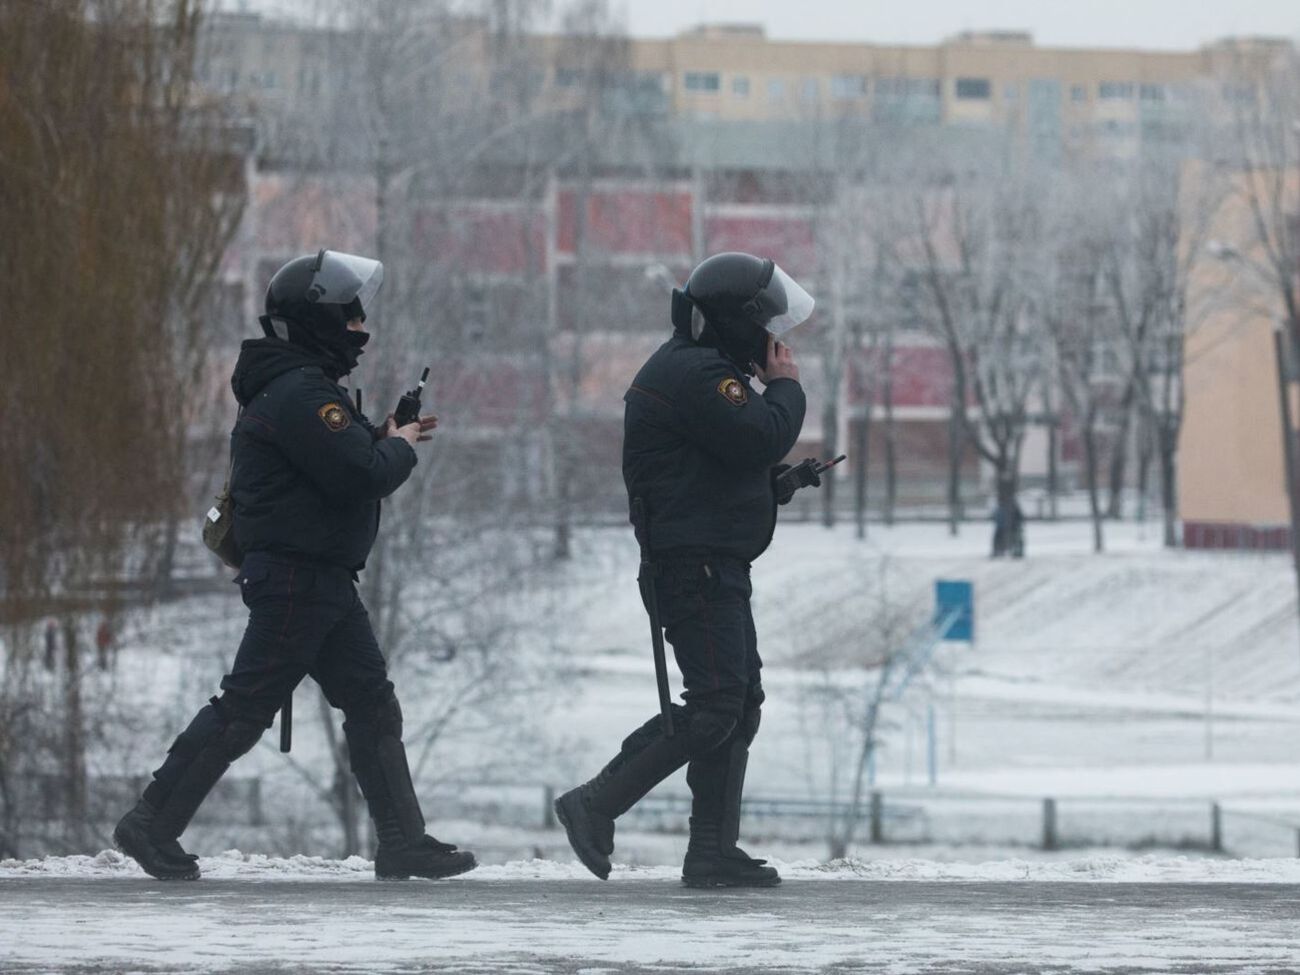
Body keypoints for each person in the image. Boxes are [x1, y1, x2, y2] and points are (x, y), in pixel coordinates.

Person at [114, 249, 475, 882]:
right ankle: (149, 822)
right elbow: (362, 474)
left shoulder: (303, 389)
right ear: (319, 322)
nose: (362, 330)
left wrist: (387, 428)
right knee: (245, 707)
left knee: (371, 704)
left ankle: (402, 842)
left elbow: (342, 457)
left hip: (320, 581)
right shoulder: (302, 393)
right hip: (297, 582)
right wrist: (402, 446)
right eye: (351, 317)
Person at [553, 251, 816, 887]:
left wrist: (772, 487)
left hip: (707, 566)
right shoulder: (700, 374)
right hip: (693, 572)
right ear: (736, 321)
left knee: (738, 702)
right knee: (718, 703)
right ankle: (596, 801)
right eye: (768, 324)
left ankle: (710, 852)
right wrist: (786, 387)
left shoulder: (699, 368)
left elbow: (704, 477)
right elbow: (758, 437)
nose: (776, 340)